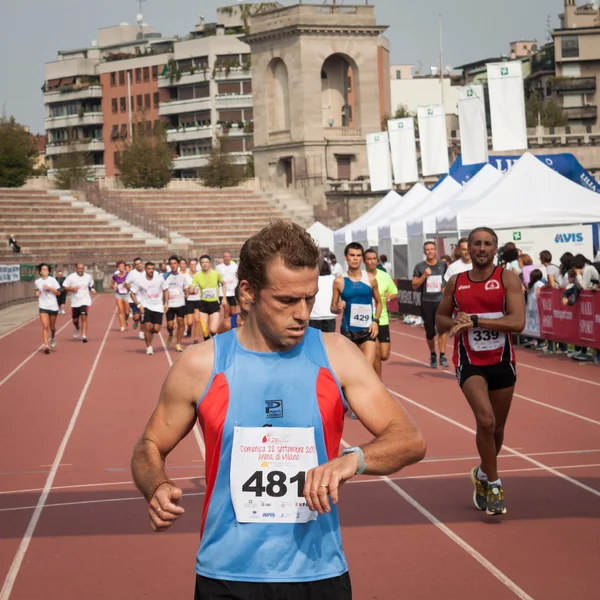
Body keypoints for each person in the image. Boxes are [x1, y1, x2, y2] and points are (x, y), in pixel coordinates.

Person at [131, 220, 426, 600]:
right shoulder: (201, 364)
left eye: (309, 298)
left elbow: (409, 438)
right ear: (248, 293)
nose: (302, 314)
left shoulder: (336, 355)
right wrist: (155, 485)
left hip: (318, 574)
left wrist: (352, 460)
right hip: (227, 576)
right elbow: (148, 446)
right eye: (286, 301)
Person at [436, 227, 525, 516]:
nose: (482, 248)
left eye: (487, 243)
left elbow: (517, 322)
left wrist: (476, 322)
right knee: (485, 420)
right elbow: (439, 320)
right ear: (467, 249)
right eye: (477, 244)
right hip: (469, 361)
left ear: (495, 248)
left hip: (502, 362)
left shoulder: (507, 278)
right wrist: (454, 323)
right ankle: (496, 483)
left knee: (497, 428)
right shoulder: (456, 282)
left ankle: (483, 474)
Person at [331, 242, 382, 369]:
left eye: (358, 255)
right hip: (348, 332)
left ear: (362, 258)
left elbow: (379, 302)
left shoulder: (370, 279)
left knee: (366, 368)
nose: (355, 258)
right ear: (345, 257)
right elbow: (332, 308)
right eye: (352, 255)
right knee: (351, 370)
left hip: (367, 330)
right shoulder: (339, 281)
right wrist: (338, 307)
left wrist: (375, 321)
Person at [412, 241, 449, 369]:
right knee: (430, 332)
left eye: (432, 249)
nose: (430, 251)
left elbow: (446, 283)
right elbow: (414, 285)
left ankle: (443, 355)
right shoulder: (420, 267)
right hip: (427, 302)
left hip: (440, 301)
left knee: (442, 329)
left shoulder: (442, 265)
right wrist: (424, 276)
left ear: (436, 251)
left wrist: (447, 299)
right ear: (424, 252)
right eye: (427, 249)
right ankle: (433, 354)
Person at [365, 249, 398, 379]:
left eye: (374, 259)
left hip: (382, 319)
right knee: (376, 351)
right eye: (369, 259)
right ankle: (378, 382)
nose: (372, 261)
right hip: (367, 320)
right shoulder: (361, 277)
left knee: (384, 355)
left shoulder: (384, 276)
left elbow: (395, 292)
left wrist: (391, 296)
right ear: (364, 261)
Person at [129, 262, 169, 356]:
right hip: (146, 306)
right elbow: (132, 293)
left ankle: (150, 335)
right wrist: (139, 305)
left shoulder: (159, 278)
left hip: (158, 307)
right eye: (149, 269)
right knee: (147, 328)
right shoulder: (140, 280)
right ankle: (149, 347)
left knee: (156, 329)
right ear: (145, 269)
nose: (151, 270)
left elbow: (165, 289)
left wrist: (166, 303)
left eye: (152, 268)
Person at [62, 263, 97, 343]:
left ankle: (84, 335)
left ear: (83, 268)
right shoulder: (71, 277)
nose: (80, 270)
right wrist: (71, 289)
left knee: (84, 316)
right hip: (75, 302)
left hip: (85, 300)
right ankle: (77, 328)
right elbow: (64, 286)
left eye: (82, 269)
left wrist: (92, 289)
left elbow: (91, 285)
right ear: (76, 268)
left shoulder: (88, 277)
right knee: (75, 320)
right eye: (79, 269)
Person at [165, 255, 192, 353]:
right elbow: (163, 289)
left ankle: (178, 344)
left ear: (178, 265)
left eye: (175, 263)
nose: (173, 265)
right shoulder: (165, 276)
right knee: (170, 325)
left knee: (181, 322)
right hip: (170, 304)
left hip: (180, 303)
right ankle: (171, 333)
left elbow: (186, 288)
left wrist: (187, 292)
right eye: (171, 264)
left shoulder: (182, 277)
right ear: (169, 265)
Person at [193, 255, 224, 340]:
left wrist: (224, 298)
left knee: (213, 329)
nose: (205, 264)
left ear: (210, 263)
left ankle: (217, 340)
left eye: (206, 262)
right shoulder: (197, 276)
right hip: (203, 304)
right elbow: (193, 287)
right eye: (203, 262)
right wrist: (193, 289)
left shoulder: (216, 274)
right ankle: (209, 347)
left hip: (214, 304)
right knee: (205, 331)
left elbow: (224, 284)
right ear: (200, 264)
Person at [34, 263, 61, 354]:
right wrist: (37, 293)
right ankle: (46, 345)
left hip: (53, 306)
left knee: (52, 327)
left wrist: (50, 289)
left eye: (46, 269)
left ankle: (53, 336)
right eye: (43, 270)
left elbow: (59, 293)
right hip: (43, 306)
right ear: (40, 272)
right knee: (45, 326)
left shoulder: (53, 280)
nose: (45, 271)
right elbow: (36, 290)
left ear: (49, 271)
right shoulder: (37, 282)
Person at [309, 261, 337, 333]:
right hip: (330, 315)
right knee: (329, 342)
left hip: (313, 316)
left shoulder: (311, 279)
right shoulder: (333, 279)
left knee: (314, 341)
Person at [125, 257, 146, 340]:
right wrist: (131, 290)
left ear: (142, 263)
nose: (138, 265)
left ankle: (141, 332)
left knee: (144, 315)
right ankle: (136, 321)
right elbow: (126, 283)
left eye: (139, 263)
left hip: (144, 298)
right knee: (137, 317)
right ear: (135, 265)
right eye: (136, 264)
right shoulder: (132, 273)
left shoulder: (146, 272)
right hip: (134, 298)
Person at [184, 258, 202, 344]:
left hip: (198, 299)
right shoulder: (186, 276)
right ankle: (189, 329)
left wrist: (198, 289)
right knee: (189, 322)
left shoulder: (200, 275)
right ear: (189, 266)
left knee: (197, 320)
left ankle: (195, 339)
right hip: (189, 300)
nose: (193, 266)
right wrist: (188, 290)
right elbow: (183, 287)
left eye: (195, 264)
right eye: (191, 264)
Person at [111, 260, 130, 333]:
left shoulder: (128, 275)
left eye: (123, 266)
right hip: (118, 294)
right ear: (118, 268)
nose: (121, 267)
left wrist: (126, 285)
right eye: (120, 266)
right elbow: (111, 284)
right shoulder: (115, 276)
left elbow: (131, 285)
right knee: (120, 310)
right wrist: (114, 287)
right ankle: (122, 326)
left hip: (126, 294)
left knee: (127, 312)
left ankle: (126, 319)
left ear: (125, 267)